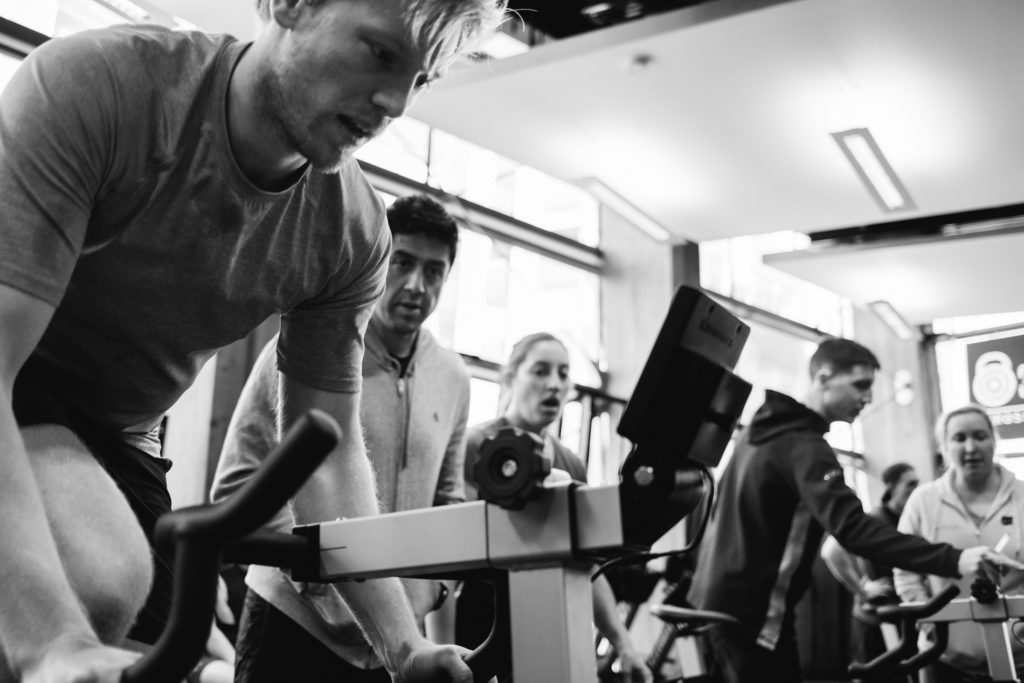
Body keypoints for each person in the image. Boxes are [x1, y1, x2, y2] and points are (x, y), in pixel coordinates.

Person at [0, 0, 506, 681]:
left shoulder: (351, 232)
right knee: (99, 584)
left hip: (115, 430)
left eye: (421, 79)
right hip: (17, 365)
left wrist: (404, 646)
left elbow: (325, 454)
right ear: (289, 5)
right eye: (381, 53)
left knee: (170, 644)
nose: (394, 103)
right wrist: (51, 642)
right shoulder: (103, 86)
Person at [210, 193, 471, 682]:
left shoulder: (454, 377)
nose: (416, 286)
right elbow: (235, 487)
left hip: (394, 637)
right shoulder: (310, 351)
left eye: (434, 272)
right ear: (379, 262)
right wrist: (317, 581)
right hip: (292, 621)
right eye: (404, 263)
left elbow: (448, 501)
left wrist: (428, 591)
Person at [685, 338, 1024, 683]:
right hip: (753, 615)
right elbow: (853, 530)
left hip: (717, 603)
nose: (868, 398)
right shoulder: (804, 447)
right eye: (860, 385)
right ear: (823, 378)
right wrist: (955, 559)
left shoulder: (760, 434)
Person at [458, 332, 653, 683]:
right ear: (510, 377)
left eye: (563, 374)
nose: (554, 384)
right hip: (483, 621)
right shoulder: (476, 445)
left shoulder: (570, 463)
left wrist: (624, 645)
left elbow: (587, 566)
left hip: (550, 618)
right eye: (540, 371)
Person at [894, 405, 1024, 682]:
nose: (970, 447)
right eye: (959, 438)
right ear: (943, 447)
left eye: (979, 436)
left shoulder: (1022, 495)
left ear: (993, 440)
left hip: (1018, 655)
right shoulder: (923, 501)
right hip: (943, 657)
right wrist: (928, 621)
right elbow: (905, 569)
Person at [820, 462, 920, 682]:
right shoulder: (874, 519)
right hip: (876, 622)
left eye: (917, 484)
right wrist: (863, 588)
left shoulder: (908, 519)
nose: (915, 489)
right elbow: (831, 551)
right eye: (910, 484)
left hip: (903, 619)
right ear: (891, 487)